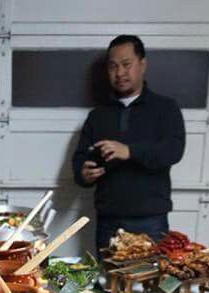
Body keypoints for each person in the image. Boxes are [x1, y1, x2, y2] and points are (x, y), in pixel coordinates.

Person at [72, 35, 185, 252]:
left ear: (143, 65)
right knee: (106, 284)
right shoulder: (98, 115)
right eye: (113, 67)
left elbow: (173, 151)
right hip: (108, 222)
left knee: (151, 285)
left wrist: (129, 151)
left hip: (151, 221)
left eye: (126, 65)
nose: (120, 73)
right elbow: (79, 160)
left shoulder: (166, 109)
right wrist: (83, 174)